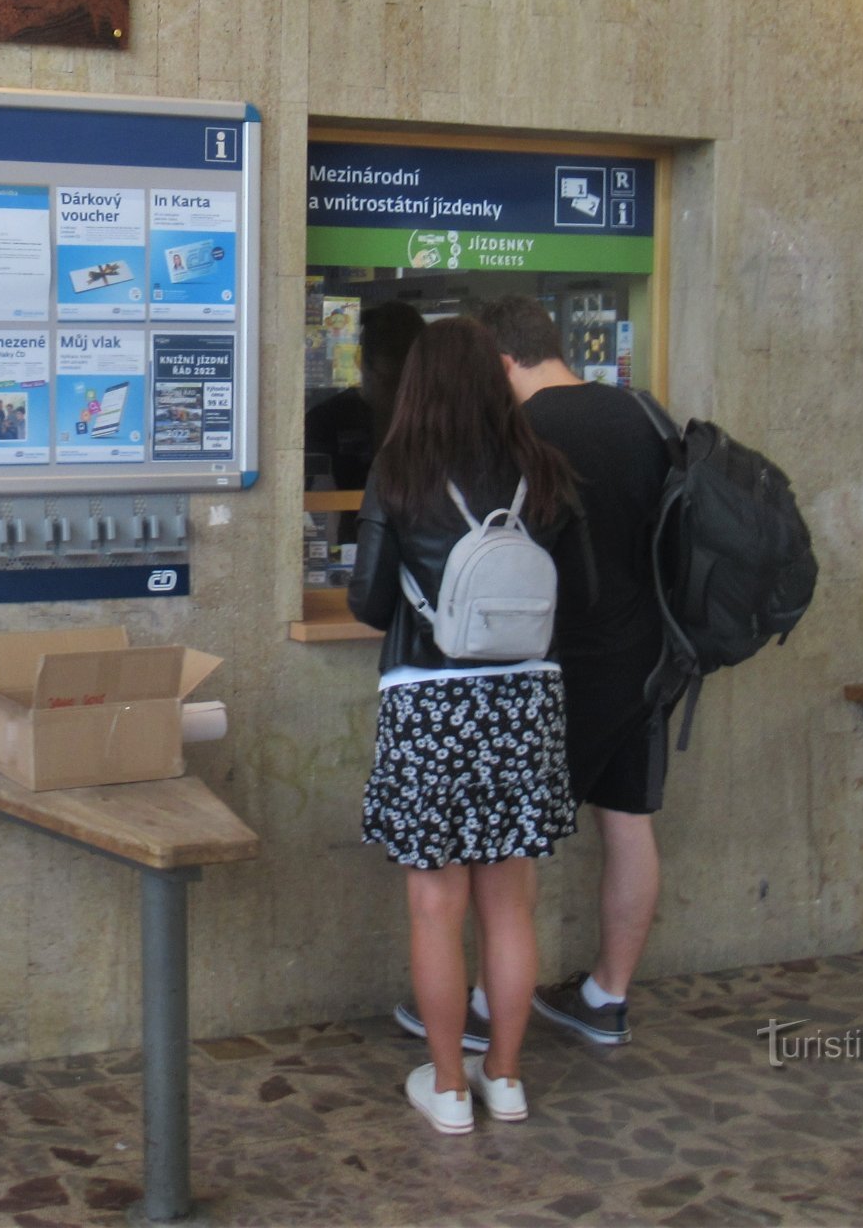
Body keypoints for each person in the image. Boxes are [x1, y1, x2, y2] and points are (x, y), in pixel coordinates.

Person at [347, 317, 588, 1134]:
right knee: (510, 908)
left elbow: (368, 602)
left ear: (416, 384)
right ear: (493, 380)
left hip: (428, 703)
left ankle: (448, 1087)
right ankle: (508, 1077)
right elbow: (580, 598)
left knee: (435, 907)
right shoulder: (545, 469)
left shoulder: (398, 473)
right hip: (525, 705)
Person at [480, 294, 673, 1048]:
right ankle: (606, 996)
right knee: (629, 822)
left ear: (502, 363)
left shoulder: (525, 431)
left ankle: (496, 1004)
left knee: (515, 834)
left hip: (563, 659)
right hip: (650, 654)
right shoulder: (643, 414)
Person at [304, 299, 425, 490]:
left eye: (410, 381)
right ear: (360, 363)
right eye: (390, 381)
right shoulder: (326, 422)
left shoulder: (436, 419)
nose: (399, 393)